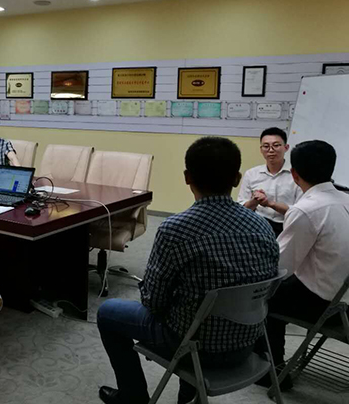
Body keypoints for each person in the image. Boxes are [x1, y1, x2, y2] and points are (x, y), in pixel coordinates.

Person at [97, 137, 279, 404]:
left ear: (187, 177)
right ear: (237, 179)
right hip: (247, 345)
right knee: (193, 309)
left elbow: (153, 302)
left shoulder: (176, 229)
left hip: (192, 347)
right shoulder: (262, 227)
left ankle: (133, 397)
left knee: (107, 312)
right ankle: (189, 396)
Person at [257, 140, 349, 390]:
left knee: (262, 295)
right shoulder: (345, 199)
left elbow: (279, 266)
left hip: (325, 304)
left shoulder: (306, 210)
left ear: (294, 174)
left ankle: (272, 371)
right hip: (342, 297)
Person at [238, 127, 302, 235]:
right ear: (261, 149)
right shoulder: (251, 174)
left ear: (286, 147)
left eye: (276, 145)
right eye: (266, 146)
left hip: (288, 227)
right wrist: (255, 201)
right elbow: (242, 208)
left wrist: (270, 204)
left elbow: (300, 211)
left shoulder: (297, 175)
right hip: (258, 226)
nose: (271, 150)